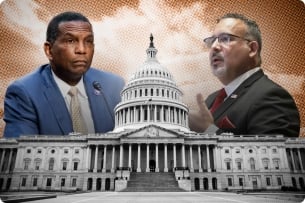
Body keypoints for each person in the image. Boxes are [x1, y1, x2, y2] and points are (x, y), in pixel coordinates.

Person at [3, 11, 125, 138]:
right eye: (71, 41)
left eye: (88, 41)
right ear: (49, 50)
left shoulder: (114, 86)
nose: (82, 50)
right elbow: (21, 153)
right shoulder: (24, 93)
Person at [189, 13, 300, 137]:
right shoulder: (211, 100)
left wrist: (208, 130)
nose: (214, 47)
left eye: (225, 38)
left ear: (252, 49)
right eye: (211, 41)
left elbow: (271, 153)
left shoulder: (272, 97)